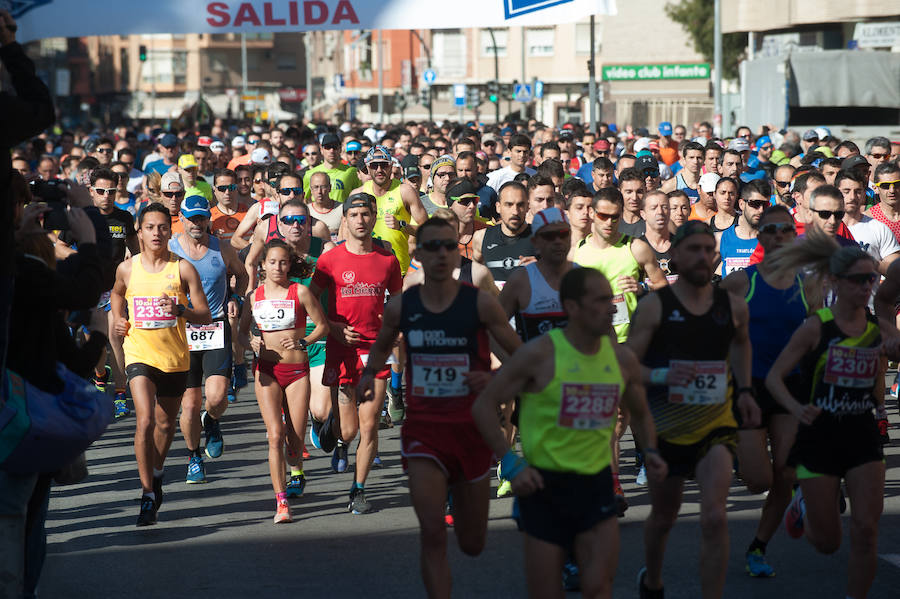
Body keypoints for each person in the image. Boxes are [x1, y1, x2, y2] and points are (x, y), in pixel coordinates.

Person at [472, 267, 667, 599]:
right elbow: (483, 407)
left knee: (597, 586)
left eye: (611, 299)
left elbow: (643, 414)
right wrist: (510, 463)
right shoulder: (539, 355)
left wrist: (650, 453)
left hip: (596, 486)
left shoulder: (621, 359)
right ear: (573, 308)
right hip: (545, 490)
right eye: (601, 300)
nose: (611, 308)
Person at [358, 217, 521, 599]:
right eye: (433, 246)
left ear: (458, 251)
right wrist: (368, 375)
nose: (443, 254)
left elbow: (519, 353)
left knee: (473, 541)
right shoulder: (403, 305)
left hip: (473, 431)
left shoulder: (479, 302)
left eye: (450, 246)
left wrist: (497, 382)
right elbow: (383, 345)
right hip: (424, 433)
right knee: (432, 534)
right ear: (418, 254)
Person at [626, 220, 760, 599]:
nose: (702, 257)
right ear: (676, 256)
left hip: (716, 424)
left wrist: (746, 390)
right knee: (665, 517)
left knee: (715, 516)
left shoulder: (732, 306)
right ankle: (652, 579)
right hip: (665, 427)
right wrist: (667, 373)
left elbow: (741, 346)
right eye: (693, 250)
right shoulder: (655, 307)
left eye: (707, 250)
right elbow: (628, 365)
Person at [766, 229, 885, 599]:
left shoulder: (876, 329)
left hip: (862, 434)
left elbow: (883, 367)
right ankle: (802, 505)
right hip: (819, 437)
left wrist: (880, 403)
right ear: (835, 281)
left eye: (872, 279)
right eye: (858, 280)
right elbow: (774, 378)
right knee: (828, 544)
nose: (867, 287)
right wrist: (797, 408)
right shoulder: (816, 326)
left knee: (866, 530)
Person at [720, 205, 811, 578]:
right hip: (749, 387)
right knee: (760, 481)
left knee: (786, 475)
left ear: (793, 236)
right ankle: (737, 449)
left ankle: (758, 547)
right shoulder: (742, 281)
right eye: (770, 230)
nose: (777, 236)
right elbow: (706, 316)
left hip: (791, 387)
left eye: (785, 230)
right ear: (760, 237)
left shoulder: (808, 285)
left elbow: (818, 337)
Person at [110, 203, 211, 526]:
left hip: (174, 358)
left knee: (166, 424)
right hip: (139, 353)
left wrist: (181, 310)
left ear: (171, 231)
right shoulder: (128, 268)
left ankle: (156, 474)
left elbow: (204, 314)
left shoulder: (182, 269)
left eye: (163, 227)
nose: (156, 233)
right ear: (139, 232)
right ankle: (146, 494)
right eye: (150, 227)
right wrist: (119, 319)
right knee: (144, 420)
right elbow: (116, 293)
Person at [573, 187, 667, 515]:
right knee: (610, 418)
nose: (610, 222)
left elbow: (664, 288)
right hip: (596, 346)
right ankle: (613, 484)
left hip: (632, 343)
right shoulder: (578, 254)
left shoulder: (635, 247)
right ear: (591, 215)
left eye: (615, 216)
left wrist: (642, 287)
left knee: (626, 414)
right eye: (603, 216)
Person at [309, 193, 403, 514]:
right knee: (348, 430)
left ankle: (358, 489)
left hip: (375, 351)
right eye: (355, 214)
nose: (361, 220)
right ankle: (332, 433)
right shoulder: (330, 259)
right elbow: (310, 299)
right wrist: (332, 326)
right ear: (345, 219)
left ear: (374, 217)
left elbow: (398, 302)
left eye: (367, 214)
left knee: (370, 424)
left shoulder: (388, 259)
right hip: (341, 348)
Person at [239, 239, 329, 523]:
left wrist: (303, 340)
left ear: (290, 265)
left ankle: (296, 463)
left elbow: (323, 325)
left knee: (294, 440)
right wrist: (250, 341)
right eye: (273, 262)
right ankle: (281, 502)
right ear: (263, 265)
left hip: (297, 371)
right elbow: (241, 333)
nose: (278, 267)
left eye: (283, 262)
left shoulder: (299, 292)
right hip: (266, 370)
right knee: (275, 435)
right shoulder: (254, 297)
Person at [169, 196, 248, 483]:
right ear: (183, 219)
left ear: (207, 220)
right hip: (180, 331)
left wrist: (236, 297)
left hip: (214, 327)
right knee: (189, 405)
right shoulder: (171, 249)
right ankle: (193, 456)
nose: (196, 224)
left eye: (202, 218)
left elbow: (242, 275)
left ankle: (212, 421)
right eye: (191, 218)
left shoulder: (222, 248)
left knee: (215, 398)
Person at [86, 167, 139, 419]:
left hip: (114, 291)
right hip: (87, 290)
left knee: (115, 338)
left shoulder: (124, 217)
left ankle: (120, 393)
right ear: (91, 191)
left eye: (111, 191)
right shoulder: (80, 216)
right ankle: (100, 374)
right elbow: (60, 246)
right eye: (100, 191)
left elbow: (136, 250)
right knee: (94, 346)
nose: (106, 195)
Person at [351, 146, 427, 275]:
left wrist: (402, 226)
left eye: (384, 165)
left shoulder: (405, 191)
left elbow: (427, 231)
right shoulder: (358, 194)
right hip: (366, 270)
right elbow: (345, 234)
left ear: (391, 166)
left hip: (398, 270)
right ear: (368, 168)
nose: (379, 170)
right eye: (374, 165)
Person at [473, 181, 536, 290]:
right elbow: (473, 276)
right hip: (493, 305)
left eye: (520, 205)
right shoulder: (481, 237)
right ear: (498, 207)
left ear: (527, 207)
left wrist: (542, 270)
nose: (515, 212)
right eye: (509, 204)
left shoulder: (541, 238)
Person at [715, 180, 766, 277]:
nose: (761, 210)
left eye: (765, 205)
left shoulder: (772, 240)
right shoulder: (721, 238)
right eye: (755, 204)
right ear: (741, 204)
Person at [302, 132, 361, 204]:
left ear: (340, 149)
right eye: (328, 147)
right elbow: (305, 200)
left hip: (342, 214)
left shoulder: (352, 172)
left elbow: (358, 197)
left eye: (335, 147)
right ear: (321, 149)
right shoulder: (310, 174)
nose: (331, 151)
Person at [639, 190, 678, 283]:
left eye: (664, 207)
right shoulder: (636, 248)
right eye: (653, 208)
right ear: (643, 214)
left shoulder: (682, 245)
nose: (660, 212)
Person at [308, 171, 342, 242]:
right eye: (316, 187)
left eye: (323, 187)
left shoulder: (342, 208)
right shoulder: (306, 211)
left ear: (330, 188)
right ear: (311, 190)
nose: (319, 191)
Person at [617, 168, 646, 237]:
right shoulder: (611, 222)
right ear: (619, 192)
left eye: (639, 192)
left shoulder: (652, 223)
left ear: (646, 191)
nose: (634, 197)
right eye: (629, 192)